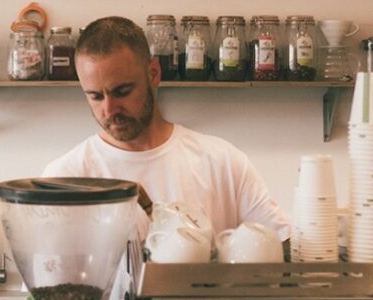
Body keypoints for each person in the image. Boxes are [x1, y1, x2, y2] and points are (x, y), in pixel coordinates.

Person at [44, 15, 290, 240]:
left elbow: (284, 247)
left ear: (153, 73)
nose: (109, 110)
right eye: (95, 96)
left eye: (123, 91)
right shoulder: (65, 177)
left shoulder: (223, 163)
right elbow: (46, 280)